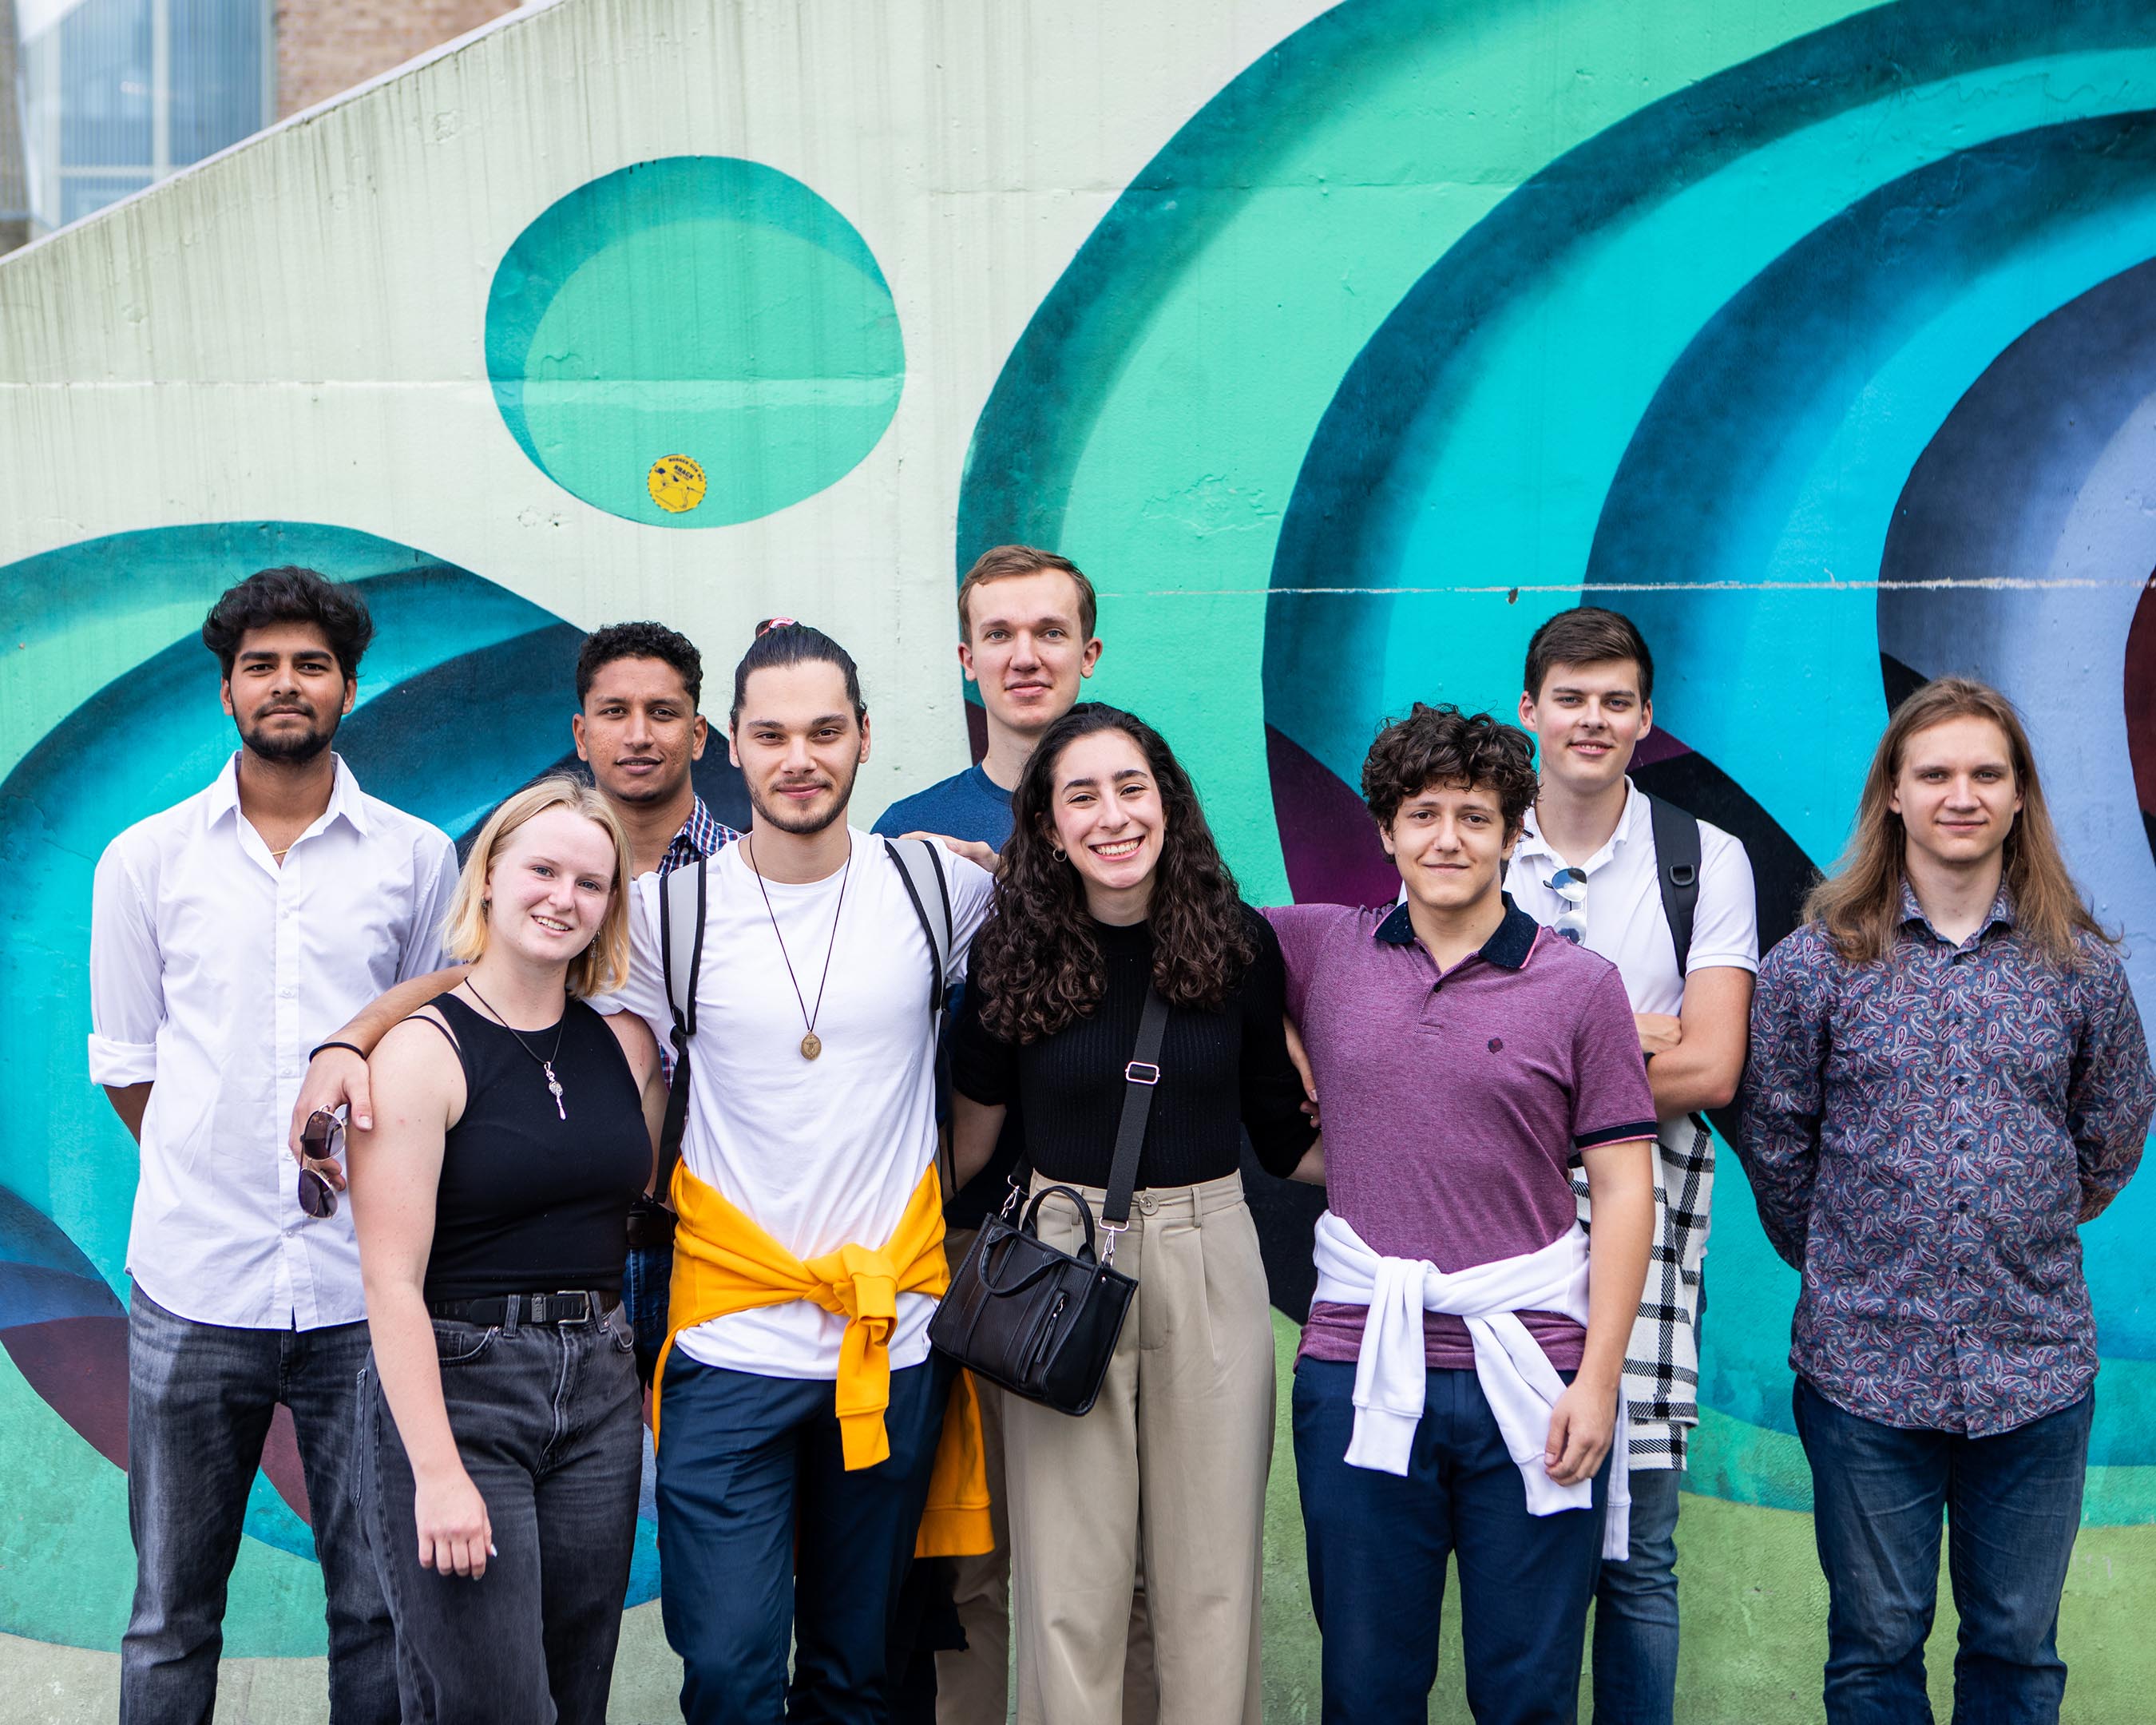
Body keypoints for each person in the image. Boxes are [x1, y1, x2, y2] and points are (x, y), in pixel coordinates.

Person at [1738, 676, 2154, 1725]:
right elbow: (1778, 1144)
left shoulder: (2081, 969)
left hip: (2036, 1373)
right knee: (1875, 1649)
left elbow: (2112, 1130)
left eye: (1985, 773)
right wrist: (1853, 1256)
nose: (1959, 795)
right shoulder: (1815, 967)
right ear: (1893, 795)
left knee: (2016, 1652)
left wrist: (2020, 1226)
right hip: (1862, 1375)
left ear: (2020, 798)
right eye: (1935, 774)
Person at [88, 565, 458, 1723]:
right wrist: (220, 1169)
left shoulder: (412, 858)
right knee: (169, 1614)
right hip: (195, 1285)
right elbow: (130, 1066)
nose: (285, 685)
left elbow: (428, 1050)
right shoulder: (145, 860)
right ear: (226, 692)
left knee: (378, 1606)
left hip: (365, 1292)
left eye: (310, 664)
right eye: (261, 666)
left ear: (349, 685)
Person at [628, 620, 997, 1723]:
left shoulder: (940, 889)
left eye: (826, 731)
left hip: (893, 1344)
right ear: (729, 745)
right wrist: (357, 1042)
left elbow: (1088, 960)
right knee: (732, 1672)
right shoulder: (666, 914)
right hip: (728, 1339)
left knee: (860, 1675)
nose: (801, 757)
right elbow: (550, 1031)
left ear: (865, 739)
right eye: (773, 733)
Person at [1268, 704, 1655, 1725]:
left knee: (1526, 1695)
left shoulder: (1580, 988)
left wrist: (1599, 1382)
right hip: (1356, 1369)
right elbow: (1176, 934)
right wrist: (1292, 1043)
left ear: (1514, 833)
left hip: (1532, 1379)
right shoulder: (1320, 951)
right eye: (1424, 814)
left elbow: (1622, 1190)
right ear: (1386, 829)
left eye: (1476, 817)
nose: (1448, 838)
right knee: (1366, 1687)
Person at [948, 703, 1314, 1725]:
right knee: (1069, 1589)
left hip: (1212, 1254)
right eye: (1082, 796)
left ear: (1168, 803)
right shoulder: (1009, 952)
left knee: (1211, 1582)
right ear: (1049, 824)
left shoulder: (1235, 943)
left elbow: (1283, 1136)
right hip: (1055, 1267)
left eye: (1131, 788)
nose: (1111, 816)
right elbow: (967, 1146)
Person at [292, 620, 739, 1381]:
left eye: (664, 713)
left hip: (725, 1235)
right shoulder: (545, 884)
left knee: (702, 1485)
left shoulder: (747, 878)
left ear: (699, 735)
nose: (639, 735)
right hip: (585, 1233)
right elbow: (473, 983)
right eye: (613, 712)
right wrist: (349, 1039)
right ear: (581, 731)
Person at [872, 545, 1139, 1723]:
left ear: (1089, 653)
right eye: (1000, 635)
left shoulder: (1147, 825)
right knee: (967, 1570)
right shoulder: (910, 835)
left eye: (1049, 632)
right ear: (967, 662)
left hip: (1118, 1241)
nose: (1024, 655)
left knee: (1122, 1570)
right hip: (964, 1248)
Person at [350, 776, 665, 1723]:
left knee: (575, 1696)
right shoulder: (420, 1053)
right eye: (542, 869)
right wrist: (439, 1474)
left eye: (591, 883)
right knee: (494, 1708)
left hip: (601, 1391)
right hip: (463, 1391)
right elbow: (389, 1284)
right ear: (487, 876)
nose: (563, 898)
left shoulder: (626, 1045)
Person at [1507, 606, 1758, 1723]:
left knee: (1638, 1550)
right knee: (1512, 1541)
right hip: (1492, 1217)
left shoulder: (1704, 859)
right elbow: (1436, 1051)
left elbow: (1710, 1069)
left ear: (1646, 719)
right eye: (1570, 697)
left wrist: (1530, 1059)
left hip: (1647, 1217)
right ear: (1530, 712)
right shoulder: (1473, 836)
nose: (1592, 719)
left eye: (1616, 700)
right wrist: (1632, 1032)